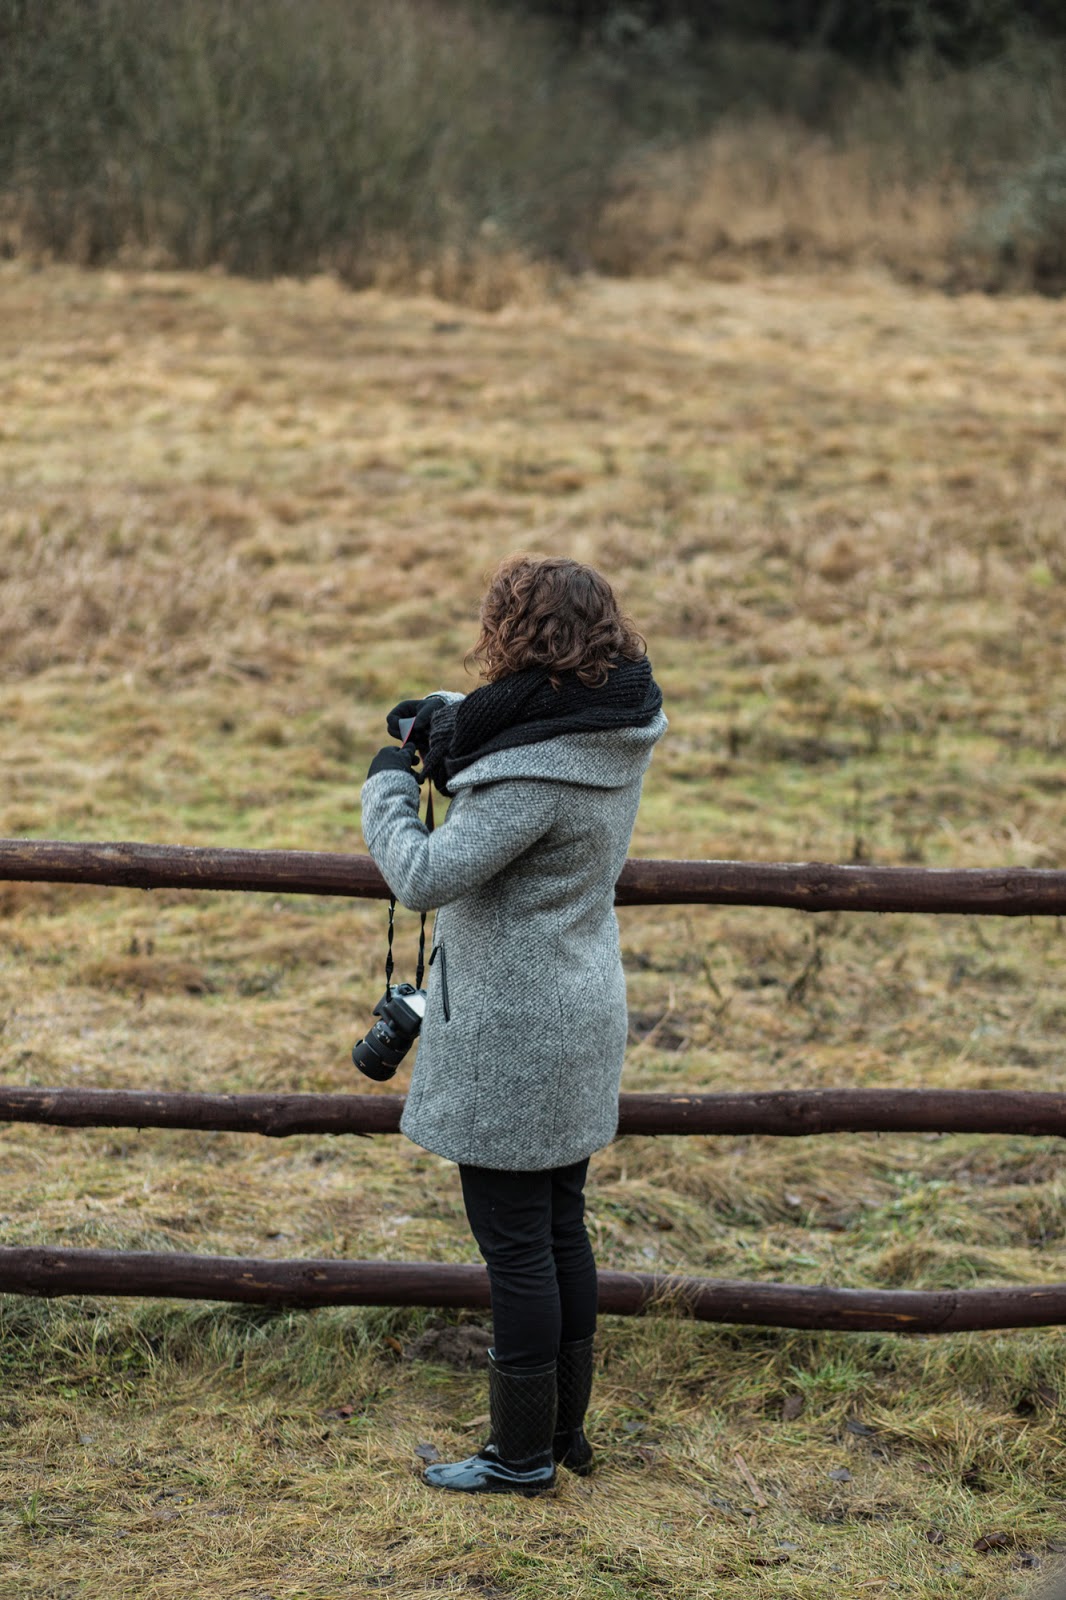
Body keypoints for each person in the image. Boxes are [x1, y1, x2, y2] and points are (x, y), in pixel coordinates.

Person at [359, 554, 667, 1496]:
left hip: (513, 1033)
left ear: (515, 636)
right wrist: (444, 714)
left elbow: (422, 874)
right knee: (560, 1228)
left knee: (517, 1247)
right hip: (577, 1009)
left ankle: (520, 1455)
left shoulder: (534, 779)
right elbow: (517, 720)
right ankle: (563, 1435)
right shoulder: (612, 723)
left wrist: (384, 786)